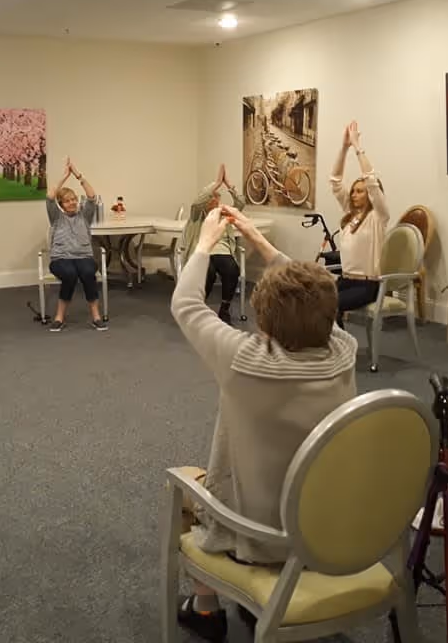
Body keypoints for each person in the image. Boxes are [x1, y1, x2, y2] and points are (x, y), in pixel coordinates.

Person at [170, 205, 358, 642]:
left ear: (264, 319)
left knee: (182, 489)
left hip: (260, 533)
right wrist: (259, 240)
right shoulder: (344, 350)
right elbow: (319, 293)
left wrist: (204, 243)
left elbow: (185, 302)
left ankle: (205, 607)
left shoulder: (244, 359)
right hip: (326, 528)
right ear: (329, 316)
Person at [329, 120, 390, 327]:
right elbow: (335, 181)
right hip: (345, 280)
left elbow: (371, 179)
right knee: (312, 302)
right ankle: (327, 348)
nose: (354, 195)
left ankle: (337, 350)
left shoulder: (378, 217)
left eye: (359, 191)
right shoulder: (350, 215)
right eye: (353, 191)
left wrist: (357, 147)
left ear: (371, 195)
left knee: (330, 306)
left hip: (367, 285)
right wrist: (343, 148)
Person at [45, 158, 107, 332]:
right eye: (67, 201)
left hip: (83, 256)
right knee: (70, 274)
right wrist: (64, 177)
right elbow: (50, 196)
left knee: (88, 273)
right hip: (61, 258)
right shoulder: (56, 217)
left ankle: (96, 316)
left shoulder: (84, 215)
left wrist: (78, 175)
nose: (72, 202)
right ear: (61, 205)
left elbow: (92, 196)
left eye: (73, 199)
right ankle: (59, 317)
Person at [179, 164, 246, 324]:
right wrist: (216, 183)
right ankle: (198, 308)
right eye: (212, 197)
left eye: (217, 197)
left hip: (222, 251)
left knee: (232, 270)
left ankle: (224, 309)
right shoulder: (196, 215)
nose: (215, 201)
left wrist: (229, 185)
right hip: (203, 251)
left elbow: (241, 203)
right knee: (206, 273)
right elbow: (196, 202)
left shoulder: (224, 215)